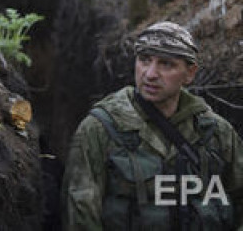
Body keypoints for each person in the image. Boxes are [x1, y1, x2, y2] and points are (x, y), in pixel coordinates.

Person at [62, 21, 243, 230]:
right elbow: (80, 213)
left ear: (190, 73)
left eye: (166, 64)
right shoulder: (100, 129)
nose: (150, 74)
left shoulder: (216, 132)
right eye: (144, 60)